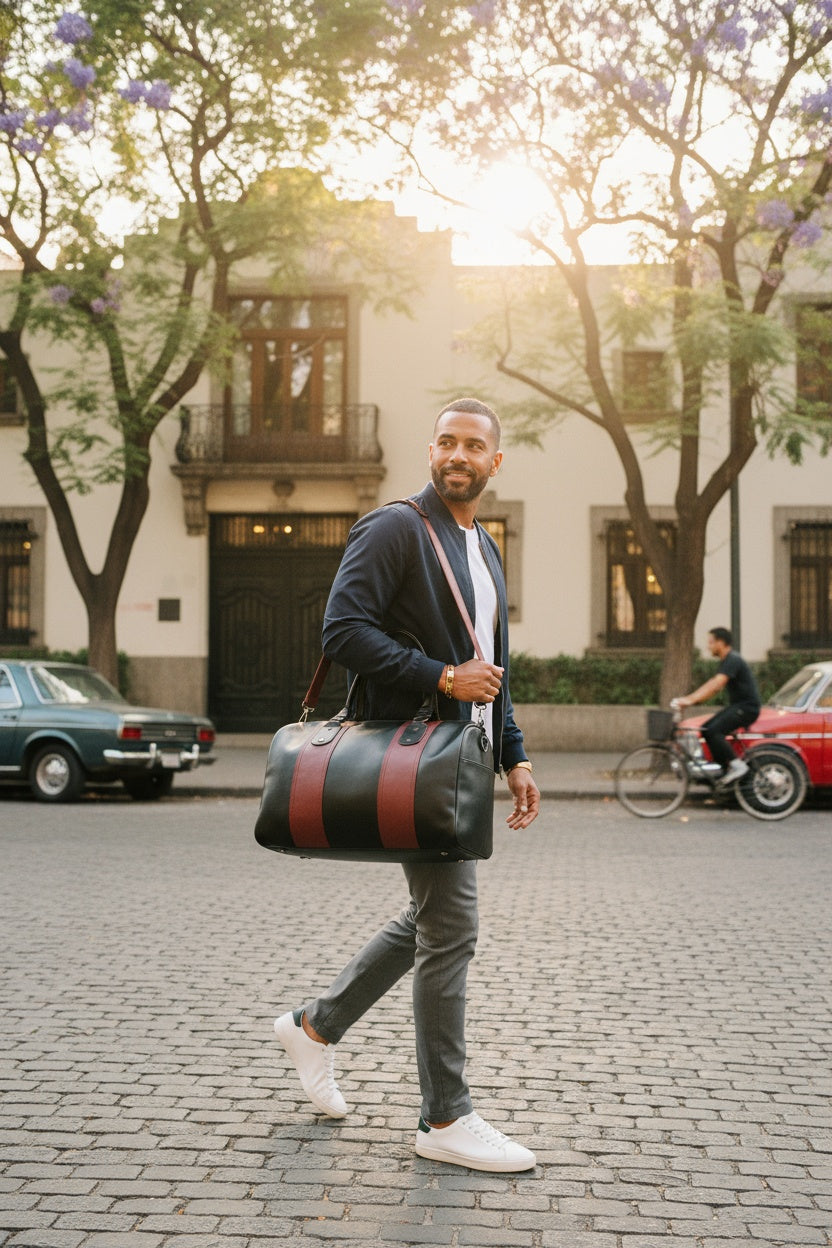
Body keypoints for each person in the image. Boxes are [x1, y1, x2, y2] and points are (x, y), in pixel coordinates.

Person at [273, 397, 541, 1173]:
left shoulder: (484, 548)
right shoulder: (396, 528)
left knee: (429, 918)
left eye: (475, 445)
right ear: (432, 450)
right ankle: (444, 1117)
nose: (459, 454)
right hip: (415, 758)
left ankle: (315, 1025)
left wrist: (514, 754)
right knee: (451, 927)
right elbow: (343, 632)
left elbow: (493, 670)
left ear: (496, 461)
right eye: (447, 441)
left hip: (463, 760)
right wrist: (441, 676)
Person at [673, 626, 761, 783]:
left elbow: (716, 685)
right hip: (739, 706)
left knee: (714, 731)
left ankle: (737, 766)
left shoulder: (733, 659)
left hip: (747, 708)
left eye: (711, 642)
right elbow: (712, 683)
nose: (709, 646)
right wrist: (689, 698)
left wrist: (690, 700)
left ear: (721, 643)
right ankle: (724, 770)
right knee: (707, 729)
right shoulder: (727, 661)